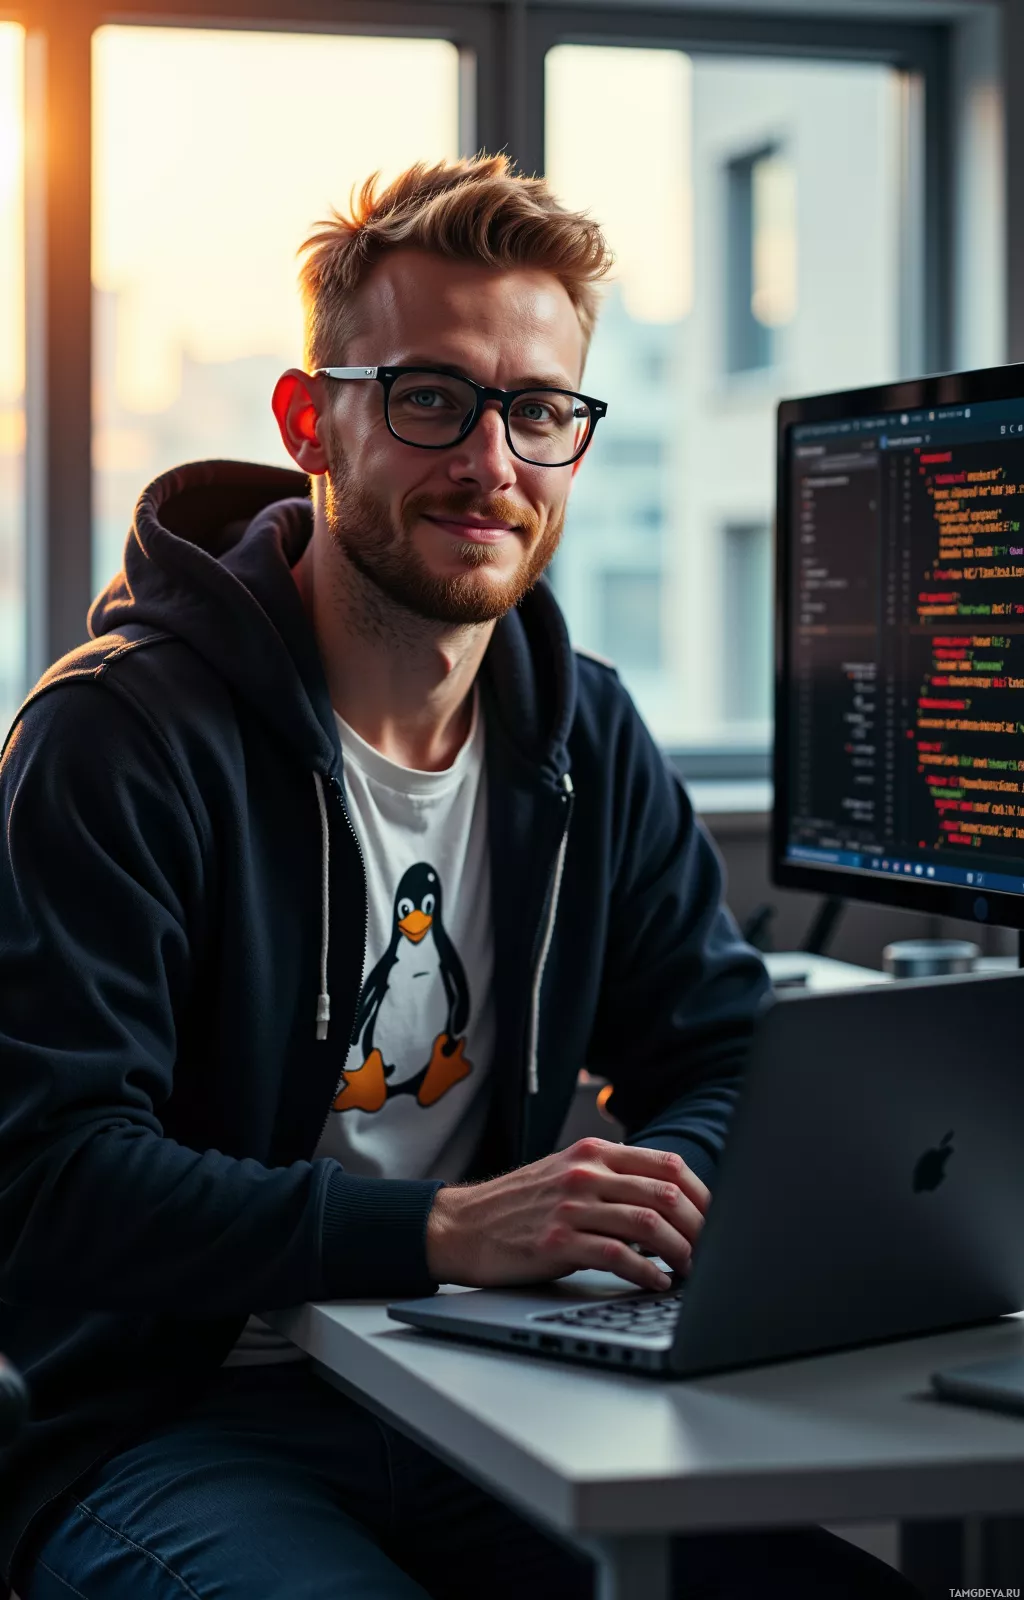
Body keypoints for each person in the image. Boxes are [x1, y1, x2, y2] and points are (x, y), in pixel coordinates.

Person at [0, 154, 917, 1600]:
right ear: (315, 422)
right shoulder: (117, 737)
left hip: (495, 1399)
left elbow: (726, 1042)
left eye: (540, 411)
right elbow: (48, 1175)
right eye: (433, 398)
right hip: (172, 1423)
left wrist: (655, 1197)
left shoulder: (583, 728)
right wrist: (437, 1231)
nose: (492, 464)